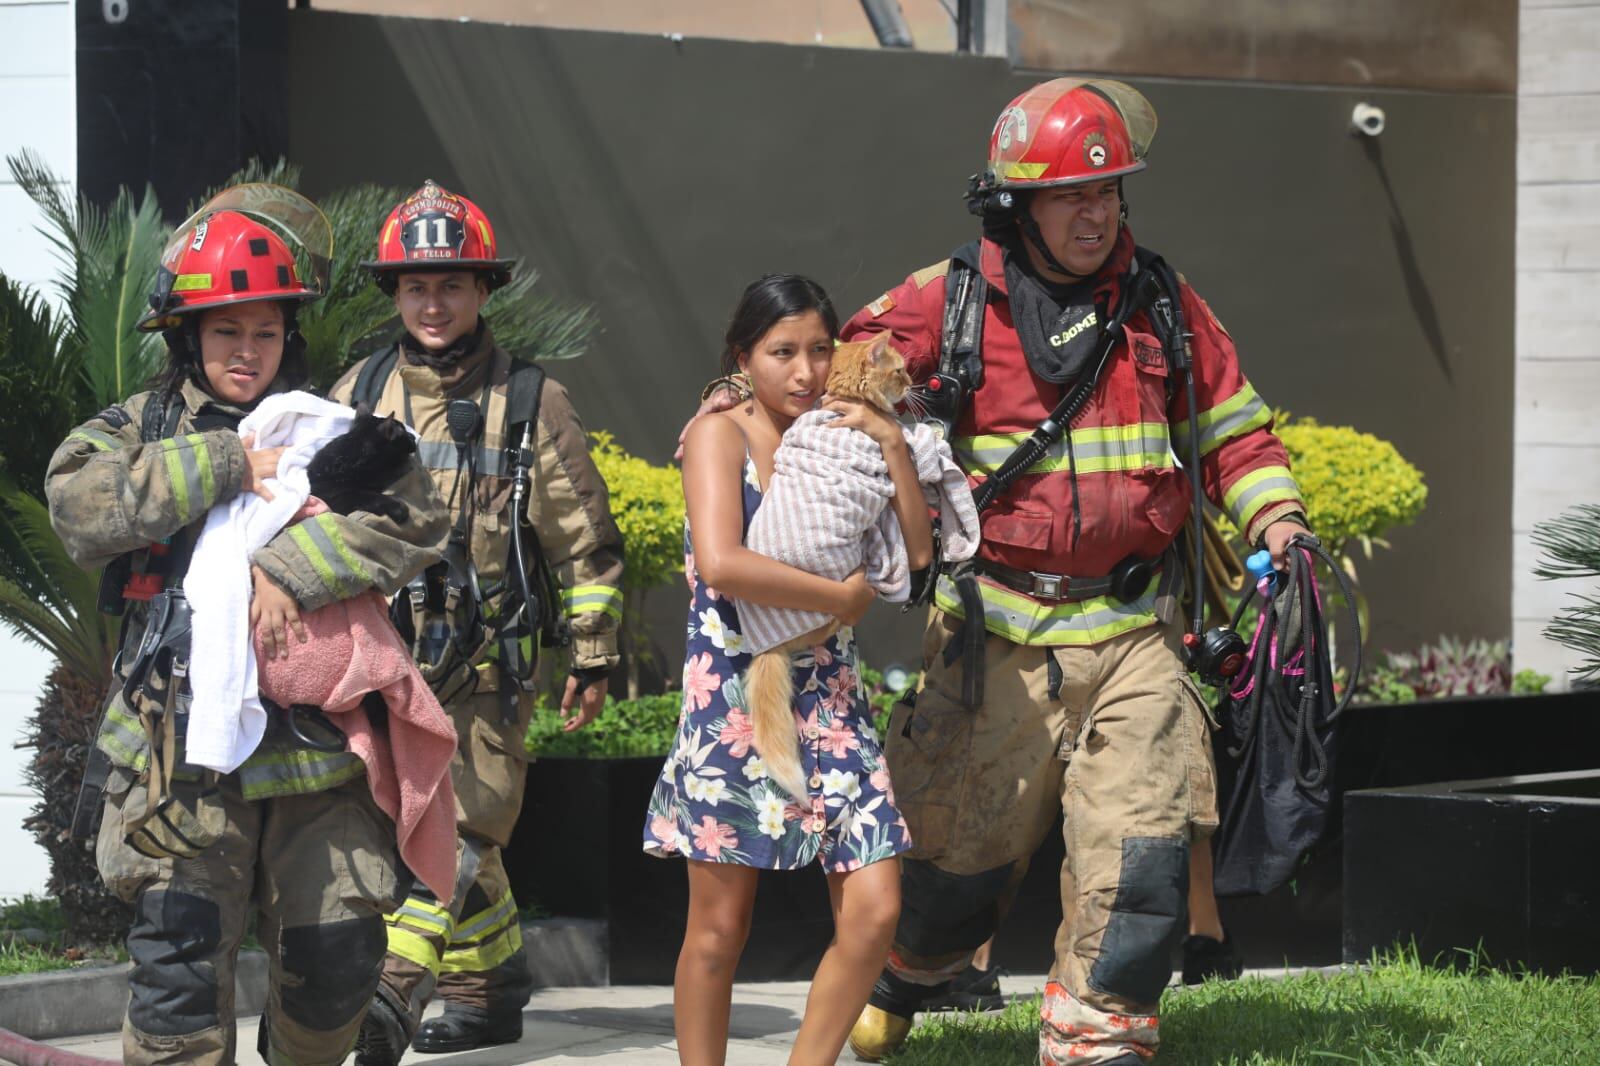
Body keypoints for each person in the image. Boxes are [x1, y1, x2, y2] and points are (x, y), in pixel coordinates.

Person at [835, 79, 1310, 1064]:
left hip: (1135, 632)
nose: (1095, 214)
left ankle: (1096, 1033)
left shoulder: (1163, 302)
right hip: (995, 637)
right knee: (956, 865)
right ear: (1018, 205)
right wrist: (832, 417)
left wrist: (1282, 520)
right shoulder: (945, 302)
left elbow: (1234, 433)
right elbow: (840, 390)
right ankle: (907, 974)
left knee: (1139, 851)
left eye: (1107, 193)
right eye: (1069, 197)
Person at [47, 192, 449, 1065]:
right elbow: (78, 506)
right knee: (179, 972)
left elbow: (414, 515)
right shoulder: (138, 429)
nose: (246, 351)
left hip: (319, 757)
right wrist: (226, 463)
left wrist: (287, 568)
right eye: (225, 331)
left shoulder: (327, 429)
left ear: (288, 337)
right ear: (186, 337)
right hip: (176, 756)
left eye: (265, 332)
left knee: (337, 962)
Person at [344, 180, 625, 1061]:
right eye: (416, 286)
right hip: (384, 662)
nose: (433, 304)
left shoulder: (532, 400)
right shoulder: (359, 389)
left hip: (488, 667)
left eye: (452, 285)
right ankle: (489, 989)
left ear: (482, 290)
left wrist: (592, 655)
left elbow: (584, 540)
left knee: (462, 825)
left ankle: (387, 1000)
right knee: (417, 825)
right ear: (394, 293)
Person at [643, 274, 926, 1066]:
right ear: (743, 356)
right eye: (781, 352)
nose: (804, 372)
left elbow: (918, 550)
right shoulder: (718, 435)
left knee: (875, 911)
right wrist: (839, 596)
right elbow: (723, 562)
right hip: (734, 702)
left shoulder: (845, 431)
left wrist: (892, 441)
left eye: (819, 349)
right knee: (718, 929)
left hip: (832, 701)